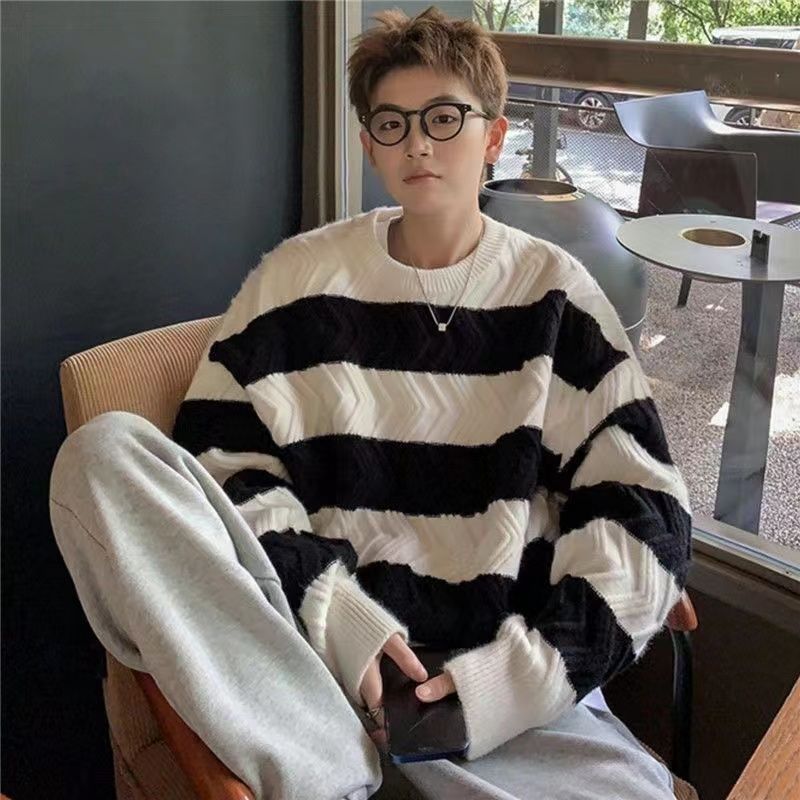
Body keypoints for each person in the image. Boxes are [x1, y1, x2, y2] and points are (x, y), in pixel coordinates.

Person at [49, 6, 692, 799]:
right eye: (392, 124)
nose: (417, 143)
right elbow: (224, 468)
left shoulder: (556, 296)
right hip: (309, 668)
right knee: (101, 452)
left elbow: (645, 514)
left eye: (444, 118)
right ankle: (327, 766)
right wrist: (338, 618)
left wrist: (507, 686)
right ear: (369, 145)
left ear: (494, 136)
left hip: (492, 695)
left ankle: (350, 771)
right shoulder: (296, 281)